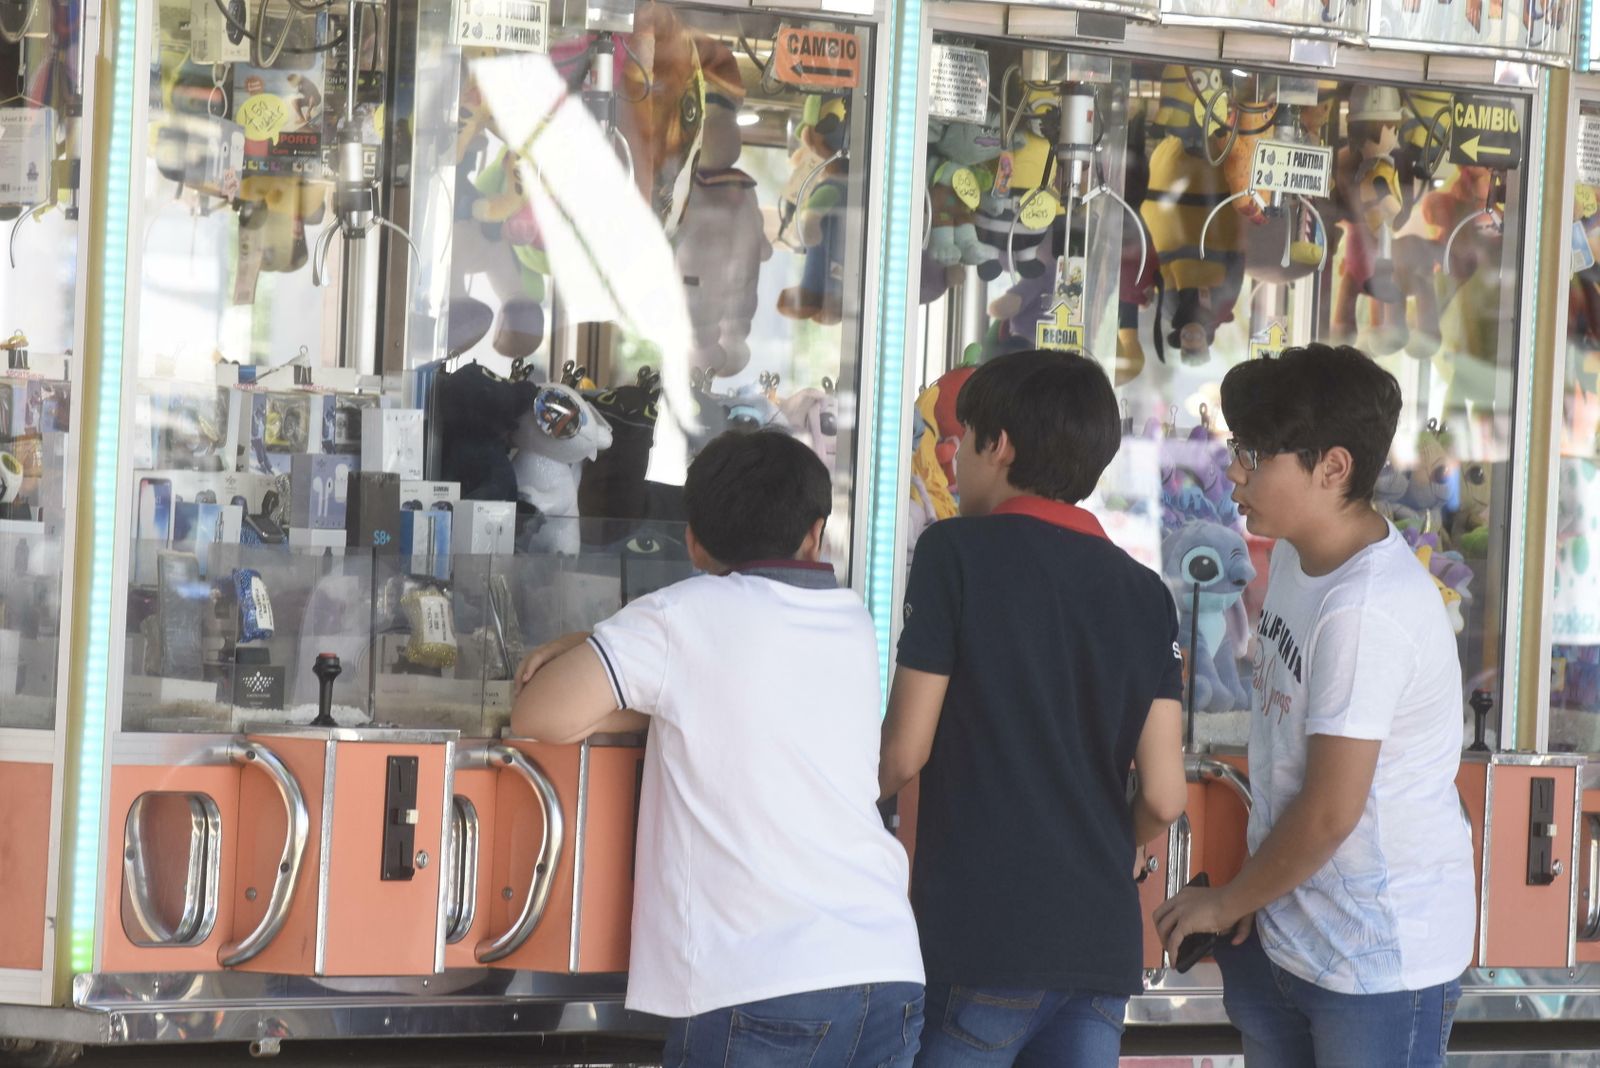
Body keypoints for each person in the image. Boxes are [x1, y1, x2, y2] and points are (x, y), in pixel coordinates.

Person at [512, 429, 925, 1067]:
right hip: (887, 970)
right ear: (816, 534)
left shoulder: (682, 614)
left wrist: (585, 643)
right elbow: (732, 705)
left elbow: (543, 714)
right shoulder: (850, 620)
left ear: (693, 541)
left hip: (759, 982)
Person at [1154, 344, 1473, 1067]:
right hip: (1291, 932)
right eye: (1239, 448)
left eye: (1256, 454)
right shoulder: (1301, 556)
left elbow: (1331, 812)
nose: (1236, 472)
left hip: (1378, 962)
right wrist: (1253, 901)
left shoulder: (1368, 611)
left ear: (1333, 467)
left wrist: (1230, 900)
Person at [880, 348, 1189, 1067]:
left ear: (1002, 446)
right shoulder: (1145, 594)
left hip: (984, 936)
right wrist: (1104, 843)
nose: (952, 463)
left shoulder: (954, 552)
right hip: (1101, 943)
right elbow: (1166, 796)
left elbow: (903, 751)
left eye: (963, 442)